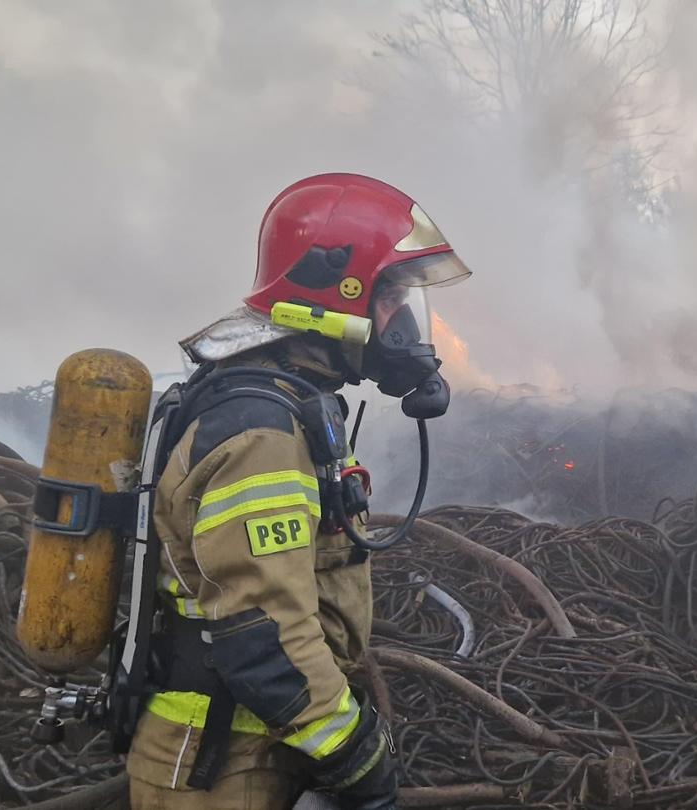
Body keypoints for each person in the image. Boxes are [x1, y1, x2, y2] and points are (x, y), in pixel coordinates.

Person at [125, 173, 471, 810]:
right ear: (335, 290)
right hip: (218, 769)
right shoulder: (263, 434)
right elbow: (263, 633)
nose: (405, 321)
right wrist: (356, 755)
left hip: (249, 746)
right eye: (391, 293)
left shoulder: (283, 406)